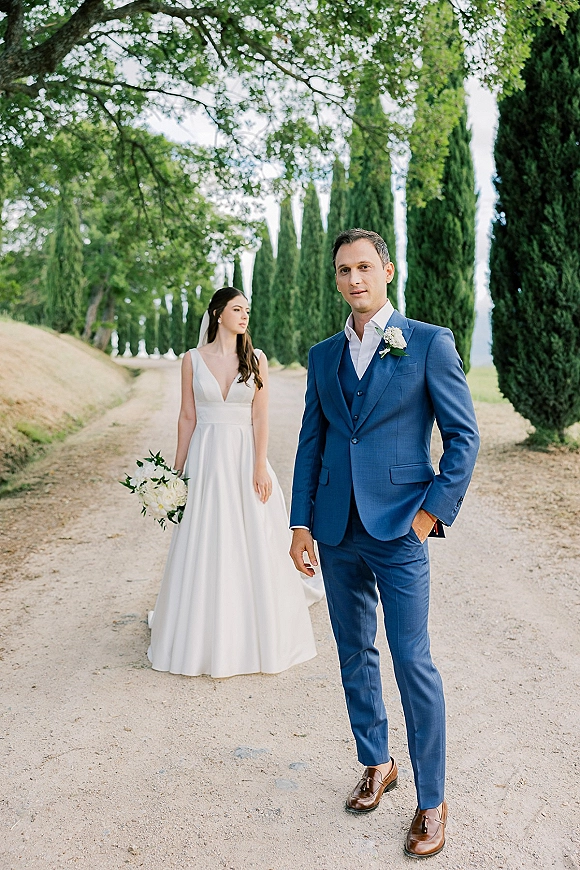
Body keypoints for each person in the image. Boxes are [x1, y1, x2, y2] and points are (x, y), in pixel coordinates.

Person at [289, 229, 479, 858]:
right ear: (337, 278)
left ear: (387, 270)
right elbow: (311, 444)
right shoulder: (322, 356)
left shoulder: (426, 343)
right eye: (343, 271)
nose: (354, 280)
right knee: (353, 653)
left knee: (412, 661)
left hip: (401, 530)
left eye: (364, 267)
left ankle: (432, 801)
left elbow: (463, 438)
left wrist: (429, 517)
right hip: (338, 529)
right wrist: (300, 525)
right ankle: (376, 763)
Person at [148, 286, 323, 679]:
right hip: (206, 459)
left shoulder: (255, 359)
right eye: (237, 309)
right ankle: (201, 630)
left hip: (245, 457)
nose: (245, 316)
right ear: (217, 314)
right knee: (205, 538)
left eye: (247, 310)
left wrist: (260, 467)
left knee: (253, 538)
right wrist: (174, 476)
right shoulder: (192, 360)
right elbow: (187, 418)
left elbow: (260, 418)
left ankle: (253, 628)